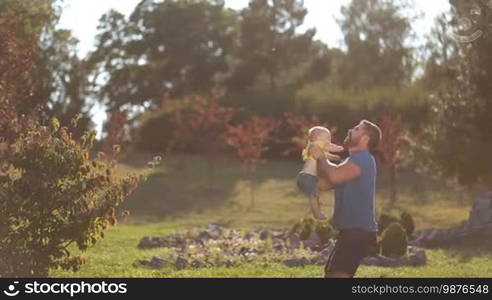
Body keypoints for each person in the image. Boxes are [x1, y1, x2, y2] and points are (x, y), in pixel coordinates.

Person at [309, 120, 381, 278]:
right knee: (332, 274)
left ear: (365, 139)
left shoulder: (363, 159)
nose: (350, 129)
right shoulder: (350, 161)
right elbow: (325, 184)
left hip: (357, 231)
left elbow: (334, 176)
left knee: (336, 276)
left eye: (356, 129)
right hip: (350, 231)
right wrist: (315, 158)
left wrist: (321, 157)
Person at [296, 126, 343, 220]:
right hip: (307, 177)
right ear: (317, 138)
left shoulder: (318, 148)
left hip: (309, 177)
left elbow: (326, 156)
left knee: (315, 196)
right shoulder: (315, 145)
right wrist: (340, 148)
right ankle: (317, 213)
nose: (329, 140)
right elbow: (329, 147)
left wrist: (334, 158)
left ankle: (316, 210)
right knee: (313, 196)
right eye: (327, 137)